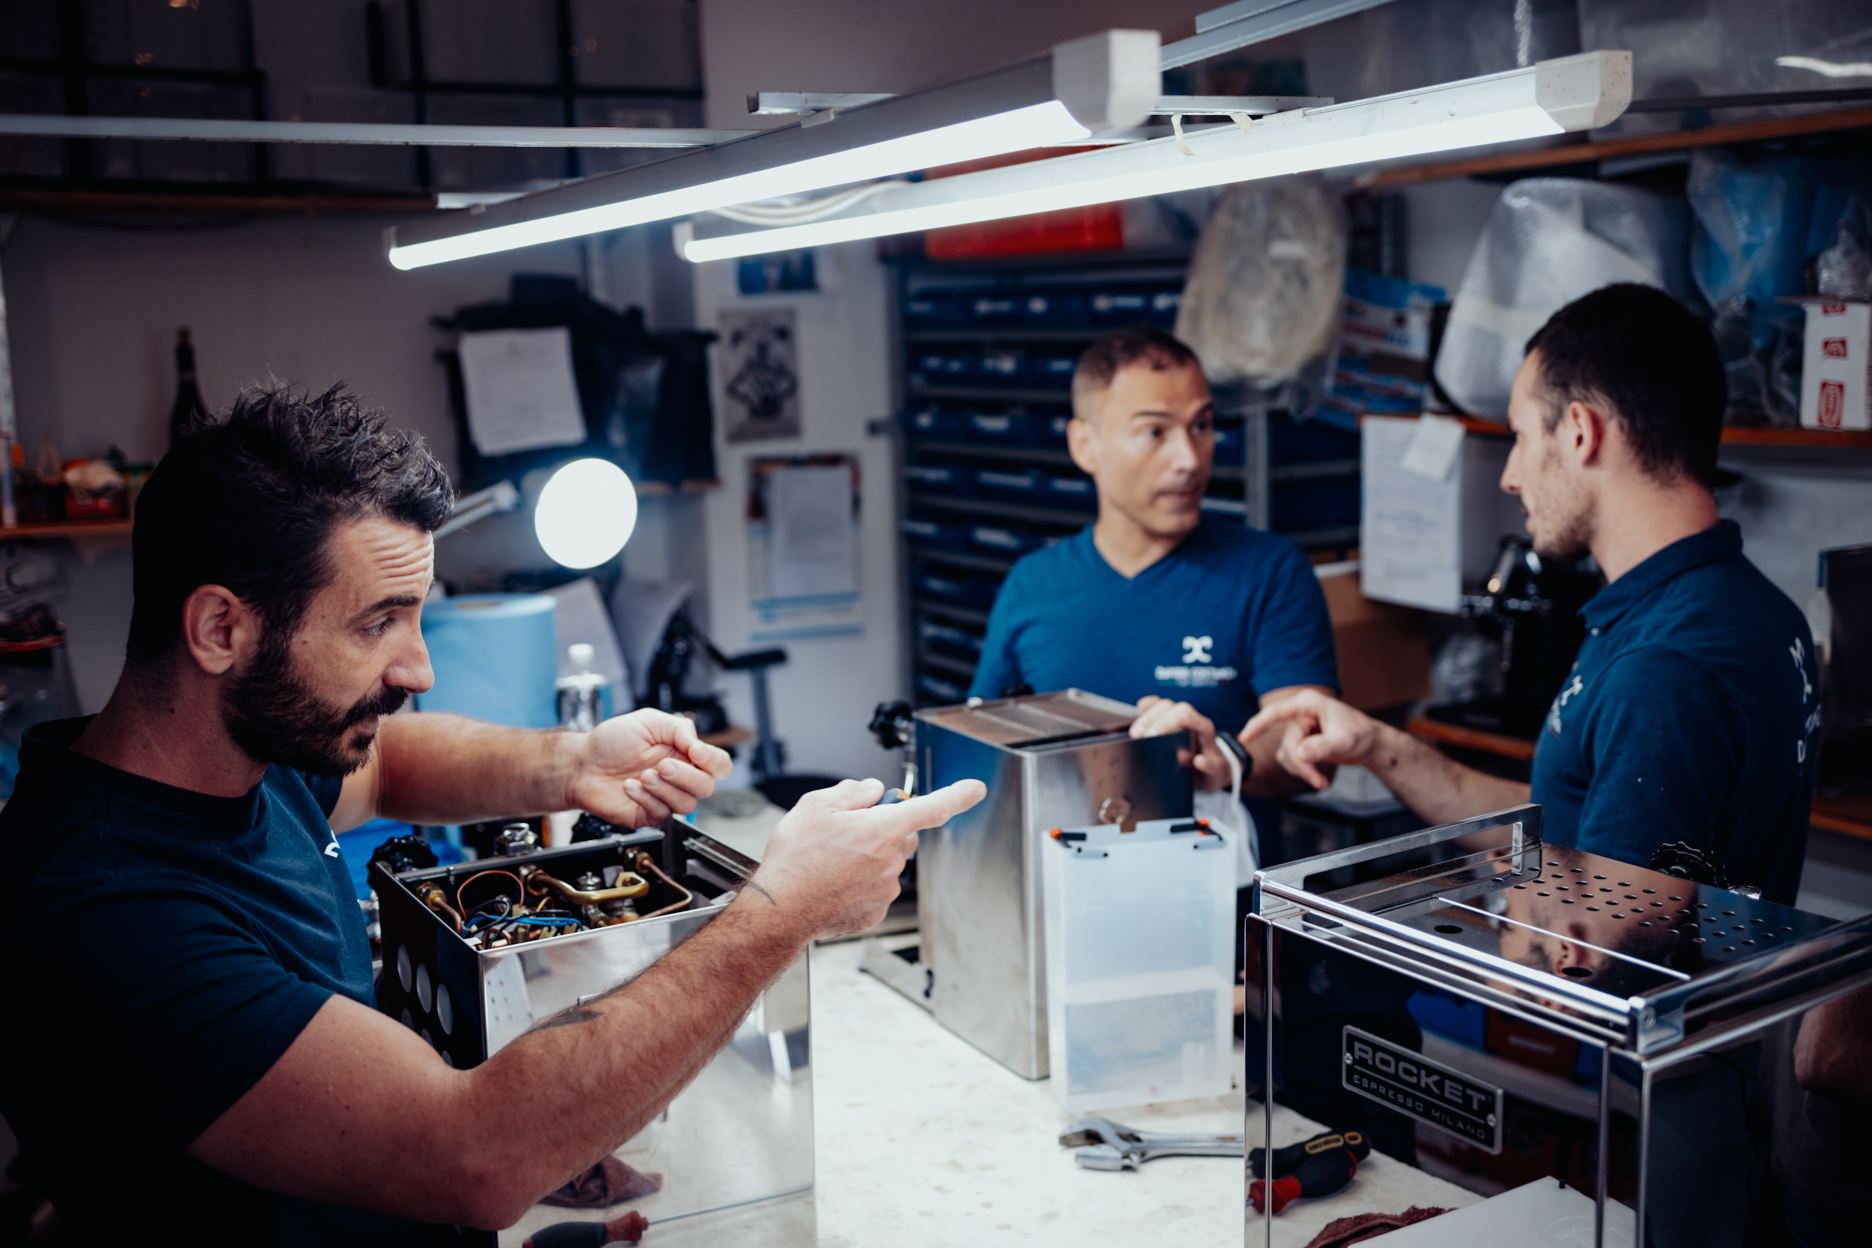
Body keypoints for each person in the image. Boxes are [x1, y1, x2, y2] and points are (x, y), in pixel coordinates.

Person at [0, 384, 983, 1245]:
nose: (418, 668)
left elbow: (386, 768)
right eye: (377, 622)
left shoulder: (233, 757)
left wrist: (573, 763)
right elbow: (471, 1151)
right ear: (221, 628)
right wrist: (781, 909)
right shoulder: (111, 916)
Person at [1242, 283, 1820, 902]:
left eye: (1519, 436)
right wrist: (1379, 747)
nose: (1512, 477)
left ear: (1579, 432)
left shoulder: (1661, 669)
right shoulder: (1758, 609)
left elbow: (1603, 950)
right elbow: (1571, 820)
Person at [969, 325, 1341, 860]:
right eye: (1155, 432)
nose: (1190, 459)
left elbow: (1311, 741)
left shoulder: (1269, 571)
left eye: (1202, 426)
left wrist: (1224, 758)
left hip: (1218, 907)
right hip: (1065, 897)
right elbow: (982, 744)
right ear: (1085, 445)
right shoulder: (1033, 583)